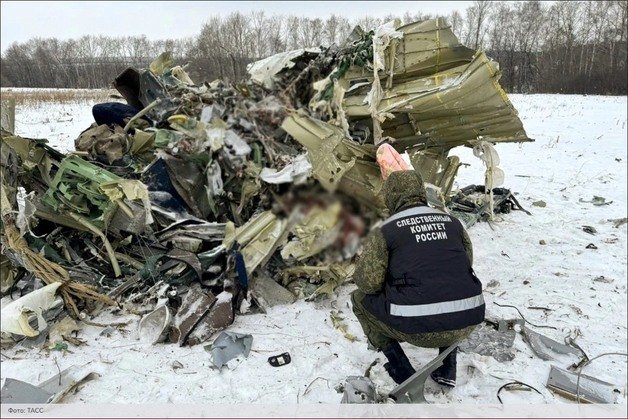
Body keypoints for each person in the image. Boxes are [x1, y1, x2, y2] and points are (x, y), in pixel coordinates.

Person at [351, 170, 485, 387]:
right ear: (420, 192)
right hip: (468, 321)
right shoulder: (453, 223)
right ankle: (447, 368)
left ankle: (402, 372)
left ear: (391, 195)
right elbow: (465, 264)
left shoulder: (387, 230)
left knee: (358, 300)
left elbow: (368, 283)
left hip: (417, 329)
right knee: (448, 287)